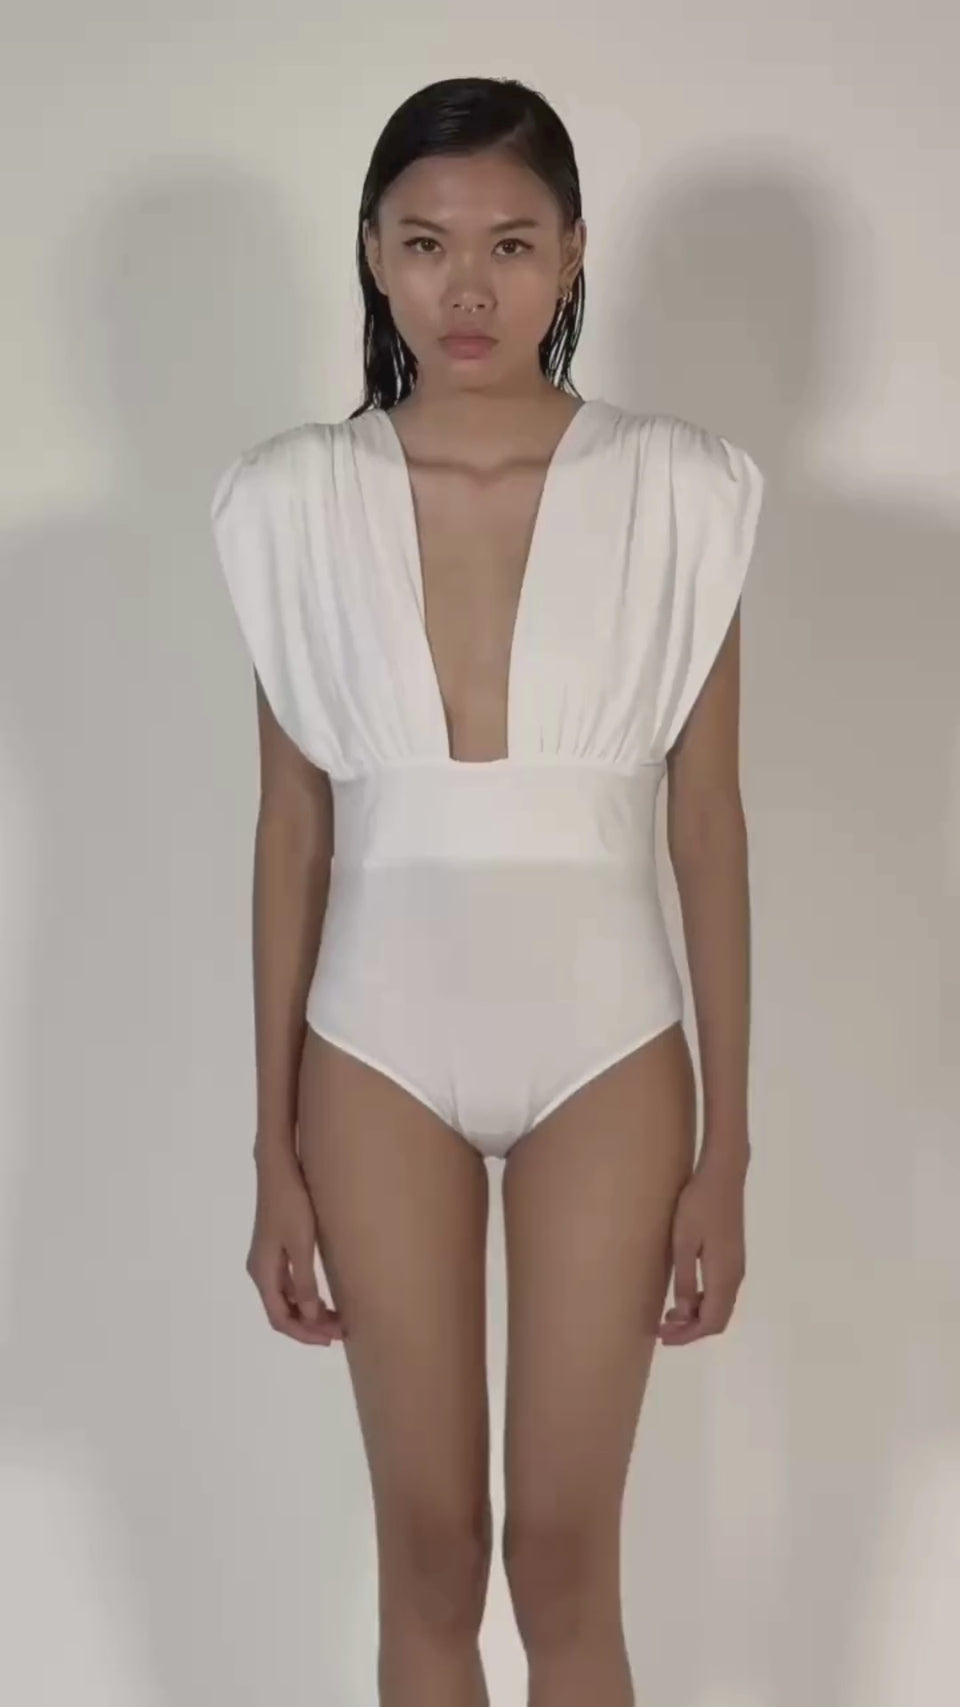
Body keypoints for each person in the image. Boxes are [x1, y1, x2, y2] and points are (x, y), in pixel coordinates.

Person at [210, 74, 764, 1707]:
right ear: (372, 254)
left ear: (575, 254)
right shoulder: (293, 501)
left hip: (612, 1043)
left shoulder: (681, 491)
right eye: (427, 242)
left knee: (566, 1555)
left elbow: (710, 825)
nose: (469, 287)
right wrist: (273, 1149)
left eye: (512, 244)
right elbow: (290, 830)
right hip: (373, 1045)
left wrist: (729, 1152)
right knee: (432, 1552)